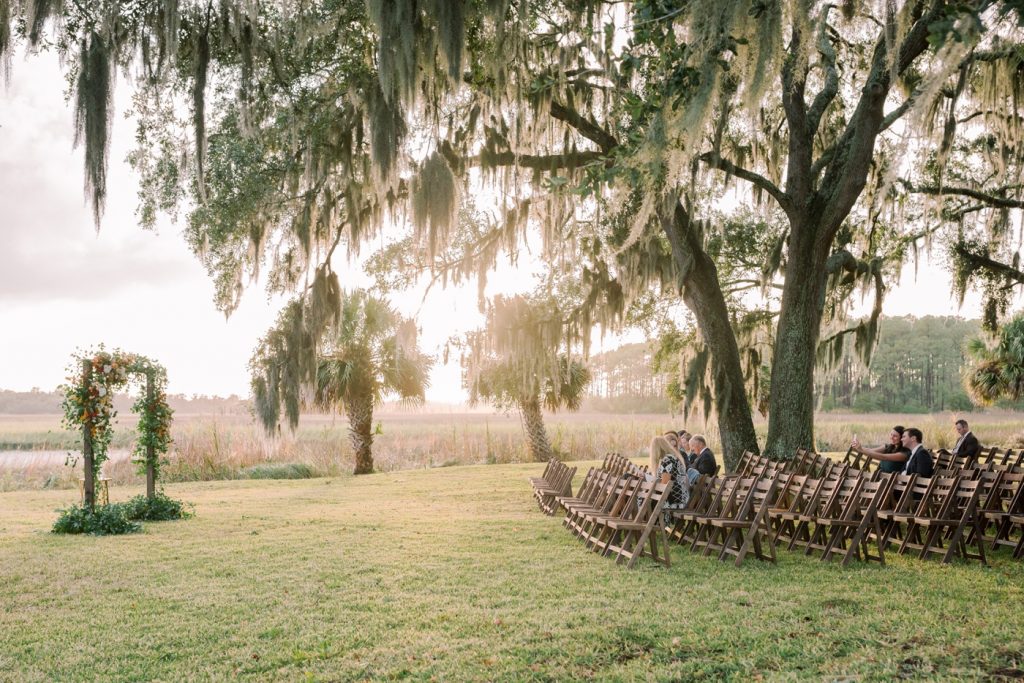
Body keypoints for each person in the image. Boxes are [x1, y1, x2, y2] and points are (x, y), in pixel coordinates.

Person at [648, 432, 690, 524]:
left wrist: (652, 482)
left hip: (675, 498)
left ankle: (650, 523)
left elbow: (664, 484)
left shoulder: (667, 460)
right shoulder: (672, 457)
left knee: (645, 498)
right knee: (647, 496)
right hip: (680, 495)